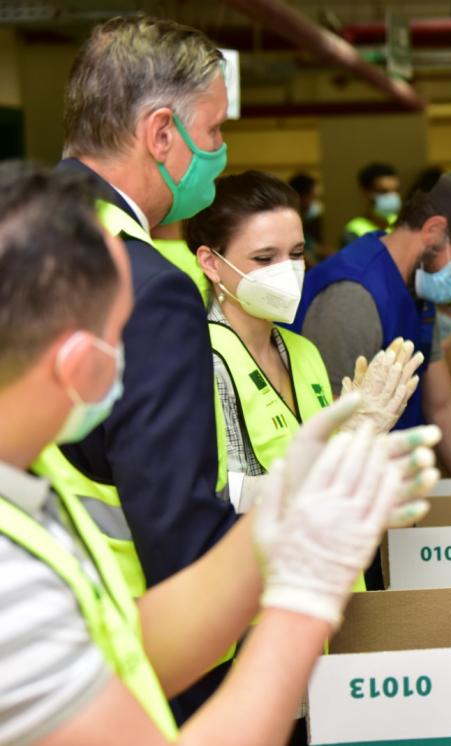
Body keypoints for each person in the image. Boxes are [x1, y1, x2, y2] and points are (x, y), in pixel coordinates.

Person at [0, 161, 439, 746]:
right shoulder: (13, 576)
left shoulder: (29, 500)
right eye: (121, 339)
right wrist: (305, 593)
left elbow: (129, 650)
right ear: (78, 363)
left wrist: (285, 517)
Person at [44, 15, 243, 720]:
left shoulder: (25, 234)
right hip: (138, 665)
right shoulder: (147, 287)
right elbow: (178, 533)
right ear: (162, 134)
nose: (219, 152)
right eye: (213, 131)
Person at [186, 170, 424, 512]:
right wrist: (334, 461)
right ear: (211, 262)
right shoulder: (197, 359)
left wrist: (353, 437)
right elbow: (215, 496)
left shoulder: (303, 351)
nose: (287, 271)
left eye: (296, 254)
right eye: (265, 258)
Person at [294, 172, 451, 477]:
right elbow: (328, 431)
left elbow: (444, 403)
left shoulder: (415, 287)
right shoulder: (352, 297)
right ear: (434, 230)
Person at [342, 162, 400, 244]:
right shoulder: (355, 230)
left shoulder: (401, 224)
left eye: (395, 190)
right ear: (365, 193)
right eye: (383, 191)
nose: (392, 197)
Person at [287, 172, 322, 264]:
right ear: (302, 197)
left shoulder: (304, 222)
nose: (315, 201)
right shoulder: (288, 226)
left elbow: (312, 247)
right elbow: (306, 259)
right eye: (313, 196)